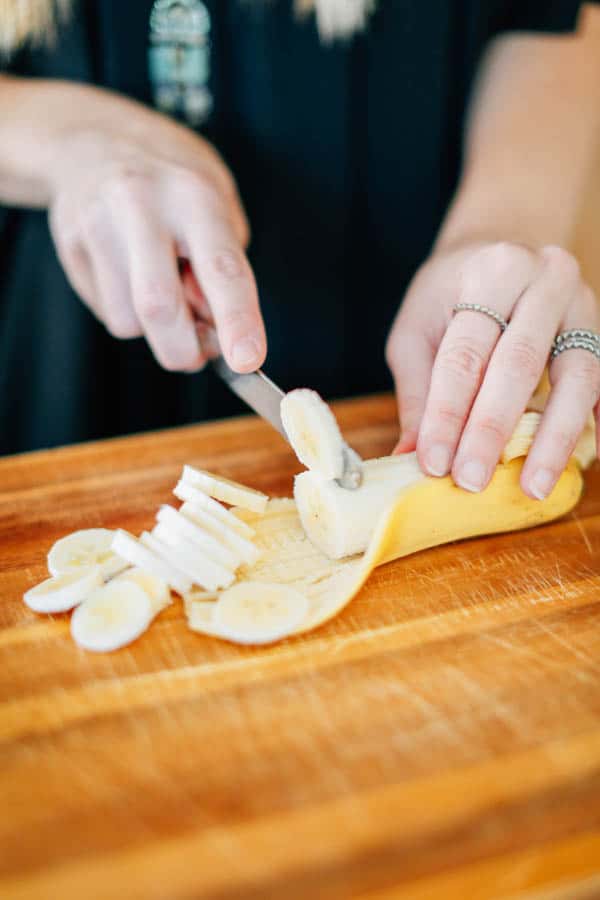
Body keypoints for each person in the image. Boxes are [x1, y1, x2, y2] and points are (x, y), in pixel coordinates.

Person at [1, 0, 599, 504]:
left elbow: (545, 16)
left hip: (408, 320)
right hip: (64, 350)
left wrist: (496, 226)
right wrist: (67, 145)